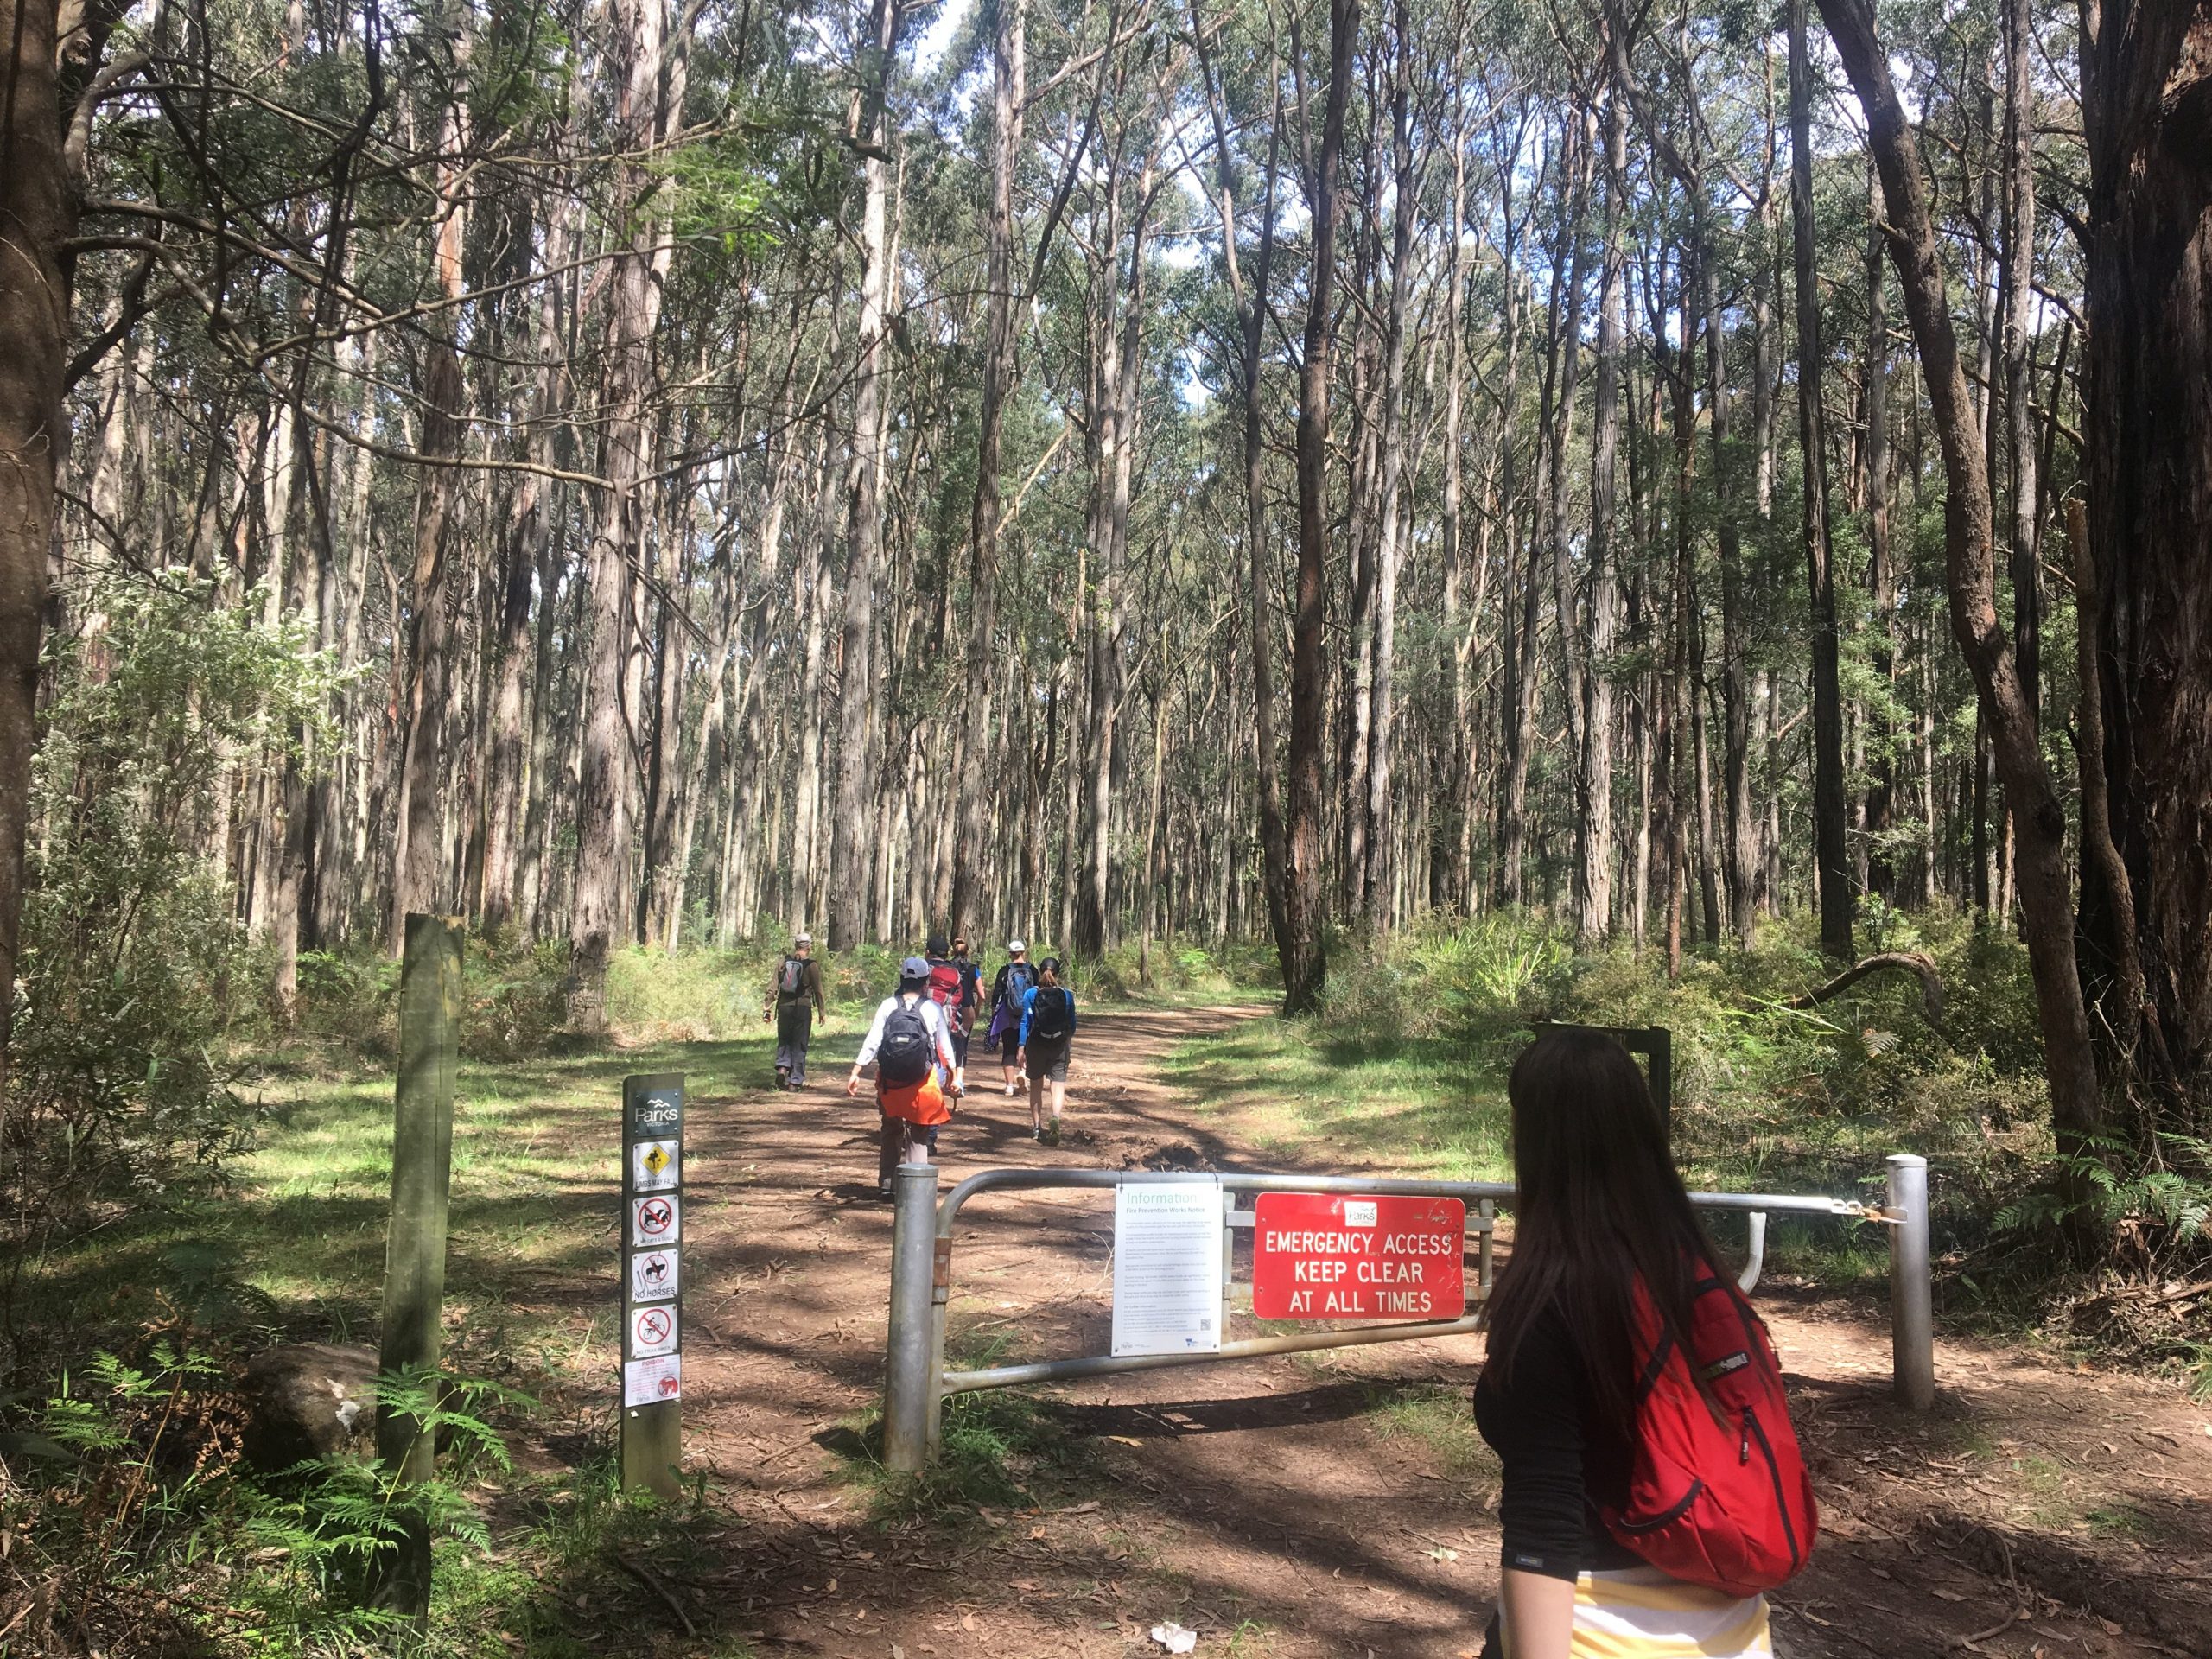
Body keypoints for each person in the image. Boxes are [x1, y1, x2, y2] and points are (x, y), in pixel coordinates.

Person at [1473, 1029, 1812, 1659]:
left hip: (1601, 1633)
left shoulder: (1554, 1299)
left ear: (1533, 1138)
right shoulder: (1695, 1270)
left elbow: (1544, 1525)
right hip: (1735, 1636)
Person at [847, 956, 963, 1199]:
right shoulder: (932, 1008)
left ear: (901, 979)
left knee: (891, 1129)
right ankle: (914, 1189)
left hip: (890, 1082)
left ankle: (887, 1185)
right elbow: (944, 1045)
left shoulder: (888, 1005)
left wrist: (857, 1070)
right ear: (925, 982)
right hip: (921, 1082)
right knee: (919, 1133)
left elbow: (873, 1041)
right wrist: (953, 1074)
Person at [1017, 957, 1077, 1144]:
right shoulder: (1066, 995)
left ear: (1040, 971)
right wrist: (1067, 1042)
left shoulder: (1030, 995)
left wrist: (1021, 1047)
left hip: (1036, 1044)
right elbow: (1072, 1025)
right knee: (1057, 1086)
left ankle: (1036, 1127)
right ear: (1058, 973)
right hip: (1059, 1045)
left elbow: (1025, 1022)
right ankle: (1056, 1118)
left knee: (1036, 1085)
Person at [764, 931, 828, 1090]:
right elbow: (818, 990)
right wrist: (822, 1011)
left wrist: (767, 1008)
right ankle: (794, 1082)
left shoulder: (783, 963)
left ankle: (782, 1067)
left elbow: (772, 988)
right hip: (802, 1008)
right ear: (809, 947)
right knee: (799, 1043)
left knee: (784, 1039)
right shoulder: (811, 965)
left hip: (784, 1007)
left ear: (795, 946)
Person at [987, 940, 1037, 1096]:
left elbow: (997, 993)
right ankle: (1023, 1074)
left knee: (1008, 1049)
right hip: (1028, 1014)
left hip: (1007, 1015)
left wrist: (994, 1009)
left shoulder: (1004, 971)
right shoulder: (1033, 971)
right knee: (1026, 1046)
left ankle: (1009, 1086)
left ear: (1010, 954)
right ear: (1024, 952)